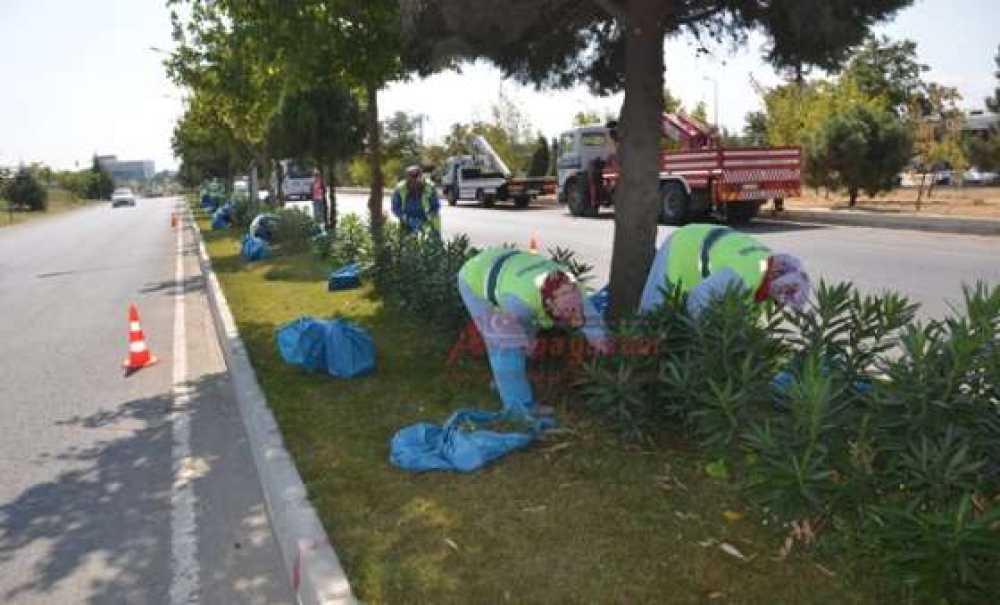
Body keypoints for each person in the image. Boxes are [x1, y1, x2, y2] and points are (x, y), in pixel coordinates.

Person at [458, 247, 610, 416]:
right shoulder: (518, 303)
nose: (571, 316)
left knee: (525, 337)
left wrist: (601, 342)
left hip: (513, 267)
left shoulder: (574, 290)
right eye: (565, 312)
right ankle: (519, 408)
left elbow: (592, 322)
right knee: (505, 346)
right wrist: (525, 343)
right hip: (475, 276)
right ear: (550, 304)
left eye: (574, 309)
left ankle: (507, 382)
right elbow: (508, 337)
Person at [639, 223, 811, 316]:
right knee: (653, 315)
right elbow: (698, 299)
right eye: (779, 302)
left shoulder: (770, 265)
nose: (779, 307)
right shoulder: (742, 275)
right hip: (681, 247)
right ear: (774, 278)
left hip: (705, 242)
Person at [391, 165, 441, 236]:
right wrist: (408, 219)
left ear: (421, 176)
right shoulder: (400, 188)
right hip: (407, 222)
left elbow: (435, 206)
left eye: (416, 176)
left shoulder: (430, 187)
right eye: (411, 177)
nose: (414, 180)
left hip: (428, 222)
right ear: (407, 178)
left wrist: (426, 220)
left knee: (431, 241)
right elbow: (396, 208)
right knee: (406, 241)